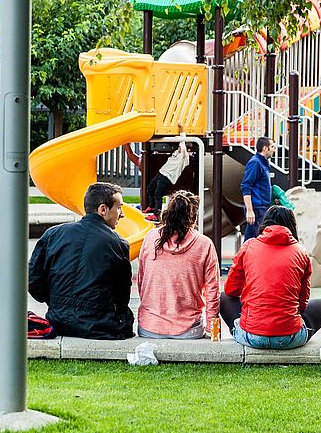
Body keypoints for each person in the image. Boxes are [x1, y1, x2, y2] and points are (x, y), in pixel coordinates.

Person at [28, 182, 134, 339]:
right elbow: (122, 295)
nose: (122, 214)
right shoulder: (118, 244)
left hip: (58, 319)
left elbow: (33, 280)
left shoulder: (53, 234)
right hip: (98, 325)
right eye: (119, 207)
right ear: (103, 209)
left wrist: (58, 302)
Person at [220, 205, 321, 349]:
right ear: (292, 226)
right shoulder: (301, 252)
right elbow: (302, 304)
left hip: (252, 336)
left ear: (265, 223)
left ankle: (242, 329)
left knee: (223, 297)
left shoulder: (249, 246)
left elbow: (230, 291)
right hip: (290, 337)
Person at [136, 190, 220, 339]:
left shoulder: (150, 237)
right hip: (188, 330)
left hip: (148, 327)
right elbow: (213, 291)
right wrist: (213, 332)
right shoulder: (204, 244)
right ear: (193, 217)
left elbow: (141, 281)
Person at [144, 126, 190, 222]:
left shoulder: (183, 157)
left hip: (166, 177)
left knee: (158, 194)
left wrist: (181, 128)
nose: (180, 148)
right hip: (161, 173)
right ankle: (152, 207)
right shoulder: (177, 152)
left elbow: (183, 140)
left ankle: (157, 215)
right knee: (150, 188)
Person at [240, 136, 274, 241]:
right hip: (257, 208)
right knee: (252, 240)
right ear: (265, 148)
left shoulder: (264, 163)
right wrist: (250, 210)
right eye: (272, 147)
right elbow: (246, 186)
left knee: (258, 240)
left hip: (262, 208)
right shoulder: (255, 163)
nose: (274, 149)